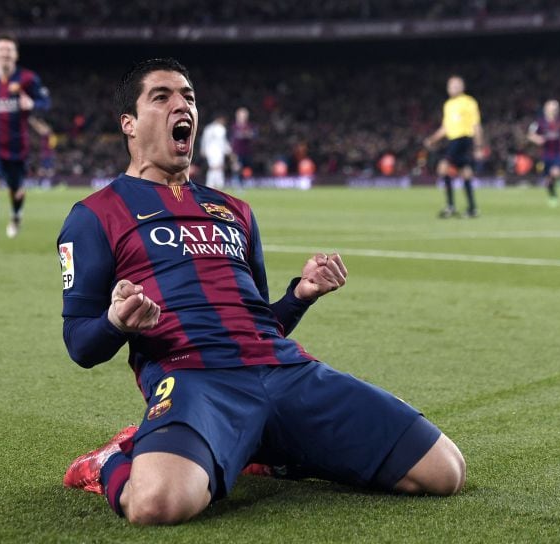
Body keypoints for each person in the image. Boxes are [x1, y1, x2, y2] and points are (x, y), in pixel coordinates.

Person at [58, 58, 465, 526]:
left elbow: (259, 321)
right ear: (129, 124)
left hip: (284, 369)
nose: (181, 104)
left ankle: (263, 446)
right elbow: (79, 344)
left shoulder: (235, 210)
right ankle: (110, 461)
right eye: (162, 96)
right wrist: (115, 322)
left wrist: (301, 295)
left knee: (444, 471)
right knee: (156, 504)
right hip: (196, 378)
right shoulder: (95, 216)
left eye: (188, 96)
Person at [0, 35, 50, 257]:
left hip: (18, 148)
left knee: (16, 192)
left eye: (9, 49)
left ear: (15, 54)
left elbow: (46, 103)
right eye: (1, 49)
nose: (5, 53)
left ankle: (16, 215)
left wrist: (33, 103)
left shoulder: (28, 79)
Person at [424, 76, 483, 218]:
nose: (452, 88)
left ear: (462, 87)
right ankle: (472, 209)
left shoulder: (469, 102)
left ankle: (450, 207)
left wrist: (479, 146)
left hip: (463, 139)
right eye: (451, 86)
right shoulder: (448, 105)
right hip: (453, 140)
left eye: (456, 85)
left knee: (443, 168)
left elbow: (476, 125)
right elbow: (445, 128)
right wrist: (432, 139)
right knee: (465, 172)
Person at [527, 99, 560, 207]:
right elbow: (530, 134)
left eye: (556, 108)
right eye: (552, 108)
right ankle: (552, 196)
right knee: (548, 180)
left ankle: (557, 181)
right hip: (546, 154)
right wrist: (537, 139)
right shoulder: (540, 122)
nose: (555, 110)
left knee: (555, 172)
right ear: (546, 109)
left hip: (558, 152)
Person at [199, 114, 232, 190]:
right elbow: (222, 142)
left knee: (213, 168)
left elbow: (204, 140)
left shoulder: (208, 128)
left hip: (209, 151)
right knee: (218, 168)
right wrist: (228, 150)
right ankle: (218, 184)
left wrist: (203, 149)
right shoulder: (220, 128)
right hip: (217, 151)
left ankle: (211, 184)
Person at [230, 106, 256, 188]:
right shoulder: (234, 127)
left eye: (245, 115)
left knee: (247, 168)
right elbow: (231, 139)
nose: (243, 117)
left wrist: (247, 134)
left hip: (247, 151)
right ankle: (236, 183)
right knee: (237, 168)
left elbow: (254, 135)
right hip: (236, 151)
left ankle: (245, 182)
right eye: (241, 115)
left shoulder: (250, 126)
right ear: (237, 116)